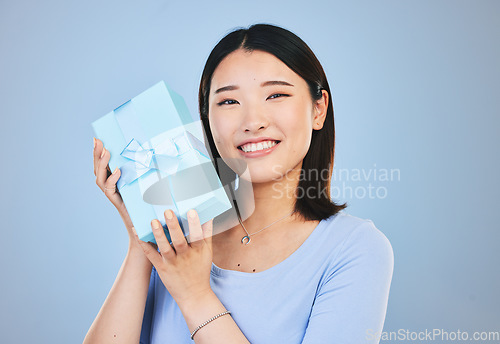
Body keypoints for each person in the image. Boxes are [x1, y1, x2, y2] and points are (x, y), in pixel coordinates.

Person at [85, 23, 394, 344]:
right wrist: (142, 235)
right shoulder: (177, 239)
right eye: (229, 102)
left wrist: (194, 295)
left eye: (276, 95)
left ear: (319, 110)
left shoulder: (355, 248)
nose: (253, 122)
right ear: (206, 119)